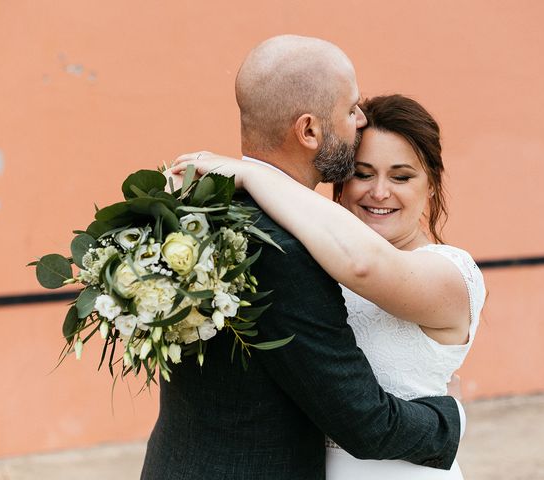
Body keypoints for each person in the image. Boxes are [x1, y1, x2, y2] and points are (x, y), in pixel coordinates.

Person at [141, 35, 465, 480]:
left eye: (402, 176)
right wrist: (450, 422)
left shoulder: (192, 211)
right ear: (310, 130)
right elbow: (365, 423)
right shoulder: (286, 249)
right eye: (351, 109)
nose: (361, 118)